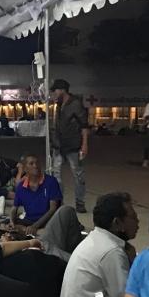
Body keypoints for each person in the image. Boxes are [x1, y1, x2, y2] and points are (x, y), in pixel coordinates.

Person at [60, 192, 138, 297]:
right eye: (133, 217)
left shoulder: (96, 239)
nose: (138, 221)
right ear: (118, 223)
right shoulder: (111, 252)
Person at [50, 79, 89, 213]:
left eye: (54, 91)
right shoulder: (58, 105)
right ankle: (59, 202)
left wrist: (84, 144)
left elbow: (84, 125)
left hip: (73, 145)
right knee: (56, 174)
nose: (53, 94)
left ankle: (80, 202)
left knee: (78, 174)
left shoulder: (76, 104)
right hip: (59, 145)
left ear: (61, 90)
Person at [11, 154, 61, 234]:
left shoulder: (51, 181)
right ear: (25, 168)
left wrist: (35, 226)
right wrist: (11, 221)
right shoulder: (21, 186)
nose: (36, 166)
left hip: (48, 220)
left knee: (57, 229)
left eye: (37, 163)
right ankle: (34, 231)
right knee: (4, 225)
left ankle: (31, 231)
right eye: (31, 163)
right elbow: (14, 208)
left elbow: (53, 209)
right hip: (29, 220)